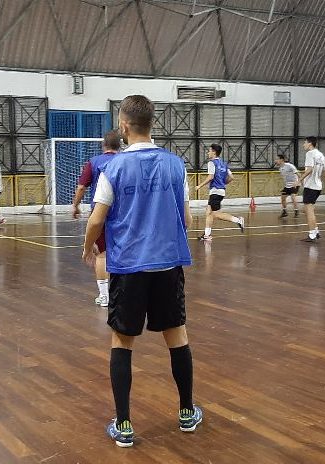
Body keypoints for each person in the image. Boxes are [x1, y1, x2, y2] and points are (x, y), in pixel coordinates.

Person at [82, 95, 201, 448]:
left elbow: (97, 218)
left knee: (123, 341)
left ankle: (124, 425)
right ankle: (185, 413)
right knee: (177, 336)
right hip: (167, 264)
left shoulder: (112, 169)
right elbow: (187, 218)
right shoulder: (175, 165)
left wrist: (89, 245)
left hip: (129, 267)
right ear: (152, 125)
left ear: (123, 126)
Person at [72, 130, 121, 307]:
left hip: (101, 211)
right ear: (120, 145)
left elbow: (81, 188)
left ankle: (104, 296)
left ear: (104, 145)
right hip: (125, 213)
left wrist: (75, 205)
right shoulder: (127, 161)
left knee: (102, 254)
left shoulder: (93, 162)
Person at [196, 144, 244, 241]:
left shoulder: (211, 163)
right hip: (220, 191)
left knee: (215, 214)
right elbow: (231, 177)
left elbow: (210, 177)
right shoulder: (223, 164)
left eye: (209, 151)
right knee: (209, 212)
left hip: (215, 191)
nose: (208, 153)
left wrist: (199, 186)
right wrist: (223, 183)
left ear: (214, 152)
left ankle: (238, 220)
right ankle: (207, 235)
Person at [298, 136, 325, 242]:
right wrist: (317, 179)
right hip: (318, 186)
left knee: (309, 211)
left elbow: (309, 169)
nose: (303, 145)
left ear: (310, 144)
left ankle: (312, 234)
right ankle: (316, 231)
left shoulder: (310, 154)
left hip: (311, 186)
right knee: (309, 210)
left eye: (305, 142)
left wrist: (299, 179)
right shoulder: (321, 155)